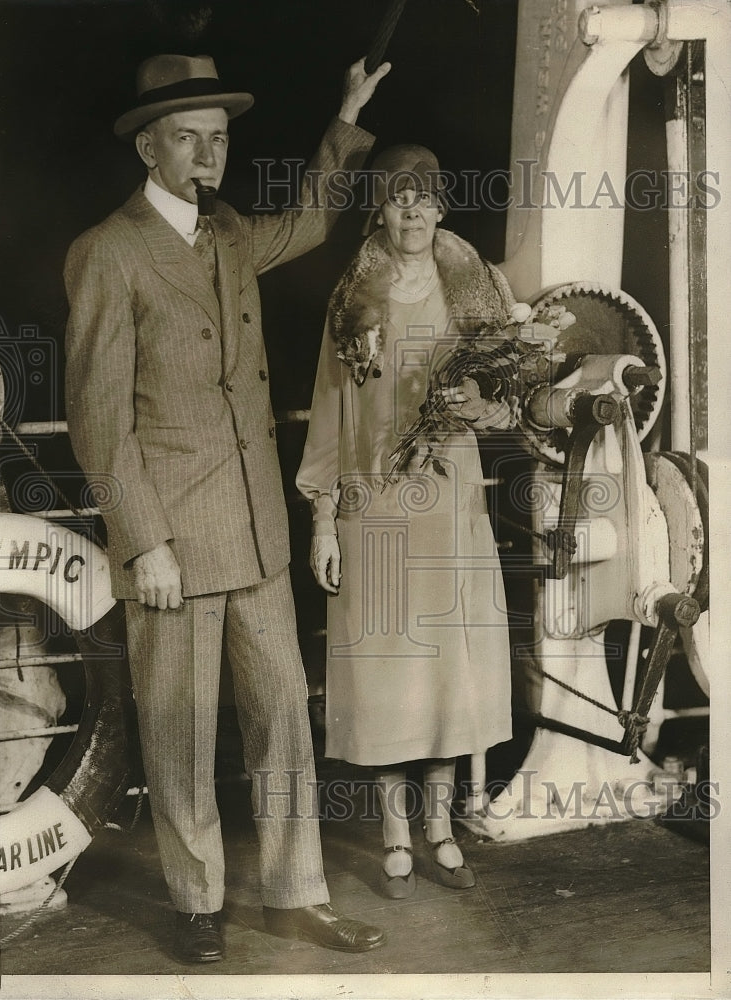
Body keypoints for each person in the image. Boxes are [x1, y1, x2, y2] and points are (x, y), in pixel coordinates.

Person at [64, 52, 390, 964]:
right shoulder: (108, 252)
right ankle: (196, 899)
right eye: (187, 138)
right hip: (170, 538)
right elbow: (97, 424)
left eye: (218, 138)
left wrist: (347, 114)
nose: (208, 155)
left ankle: (296, 895)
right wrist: (143, 543)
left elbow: (318, 215)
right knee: (178, 725)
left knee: (286, 711)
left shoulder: (235, 232)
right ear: (147, 150)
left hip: (254, 531)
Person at [297, 144, 514, 898]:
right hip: (373, 505)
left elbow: (508, 406)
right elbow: (330, 410)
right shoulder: (353, 295)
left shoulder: (479, 288)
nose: (412, 212)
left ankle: (441, 828)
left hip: (451, 504)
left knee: (447, 670)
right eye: (396, 199)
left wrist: (480, 406)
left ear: (443, 204)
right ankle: (393, 833)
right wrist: (323, 519)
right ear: (379, 210)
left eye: (424, 197)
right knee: (391, 672)